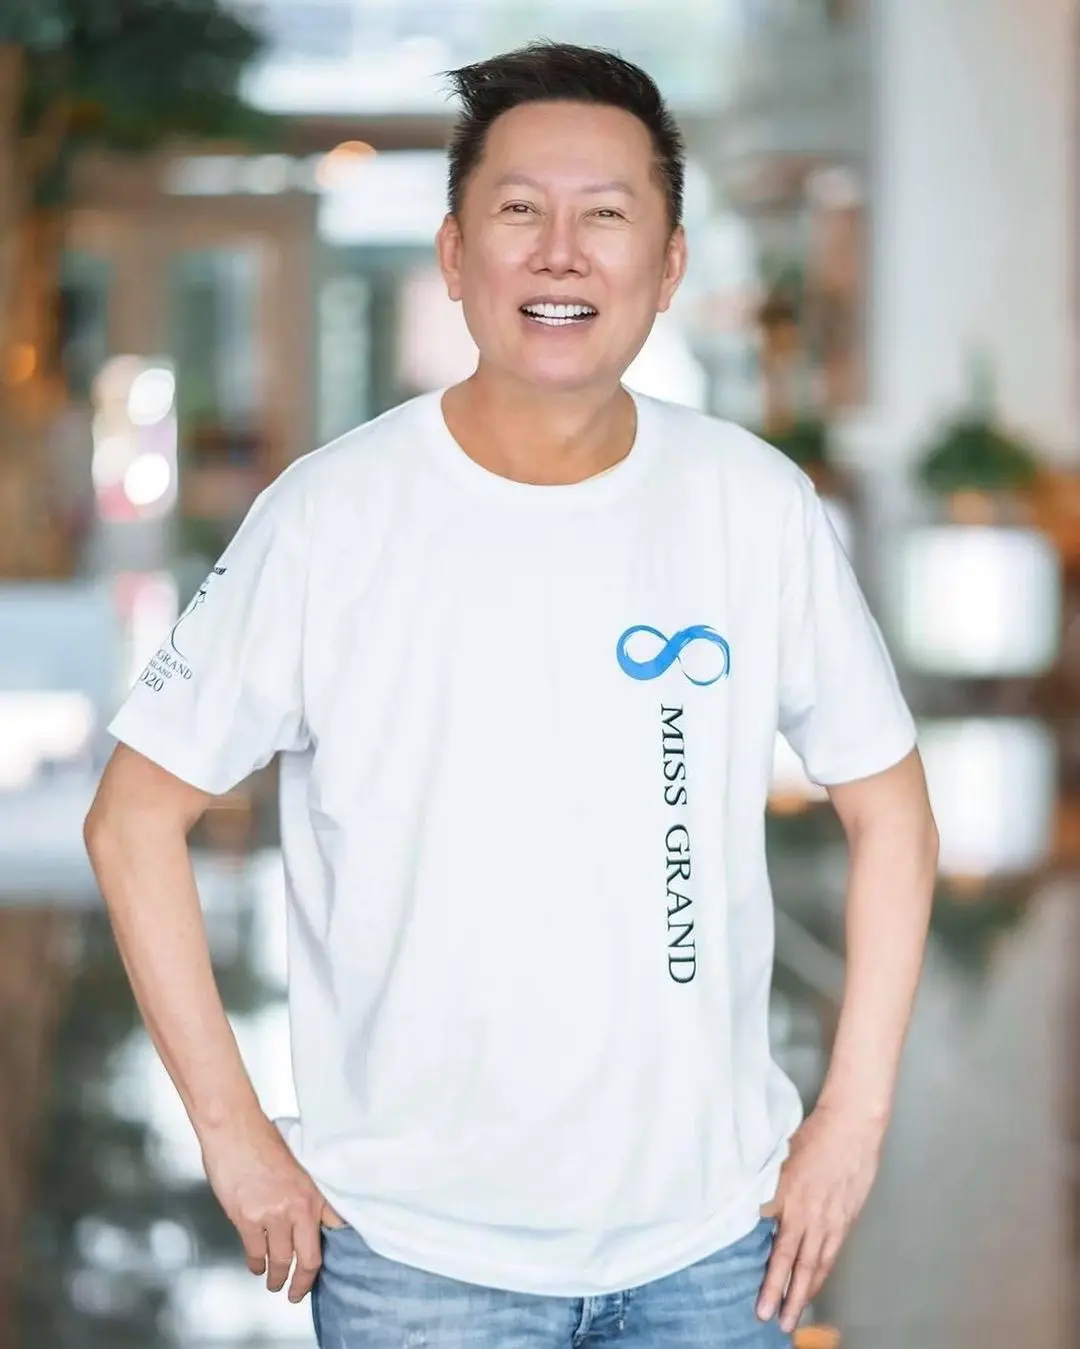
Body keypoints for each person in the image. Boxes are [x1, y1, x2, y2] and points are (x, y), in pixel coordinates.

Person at [84, 40, 939, 1349]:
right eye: (520, 211)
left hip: (714, 1249)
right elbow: (132, 818)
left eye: (607, 216)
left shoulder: (752, 505)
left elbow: (895, 811)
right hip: (419, 1261)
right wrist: (235, 1136)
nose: (561, 254)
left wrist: (851, 1123)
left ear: (669, 266)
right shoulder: (330, 516)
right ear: (453, 253)